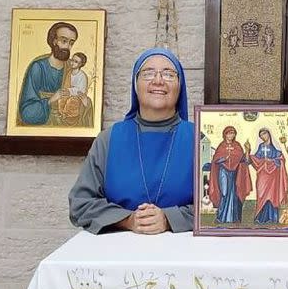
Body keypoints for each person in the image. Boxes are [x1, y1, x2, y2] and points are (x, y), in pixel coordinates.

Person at [68, 48, 194, 234]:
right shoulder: (108, 140)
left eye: (168, 74)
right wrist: (128, 220)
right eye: (148, 73)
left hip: (187, 254)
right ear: (135, 85)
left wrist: (170, 219)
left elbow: (223, 207)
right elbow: (81, 203)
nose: (158, 81)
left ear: (180, 86)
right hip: (118, 254)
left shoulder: (202, 139)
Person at [18, 22, 78, 125]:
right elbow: (26, 113)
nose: (67, 46)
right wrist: (50, 100)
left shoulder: (72, 68)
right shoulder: (38, 68)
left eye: (71, 43)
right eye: (64, 41)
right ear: (54, 41)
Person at [208, 126, 252, 224]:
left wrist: (247, 150)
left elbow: (245, 161)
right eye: (229, 133)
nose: (231, 135)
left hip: (234, 174)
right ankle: (220, 217)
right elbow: (215, 160)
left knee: (234, 194)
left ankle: (234, 218)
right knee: (224, 193)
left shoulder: (237, 146)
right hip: (223, 172)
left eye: (233, 133)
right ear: (225, 134)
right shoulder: (221, 146)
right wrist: (224, 158)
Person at [248, 128, 288, 224]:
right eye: (261, 135)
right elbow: (255, 159)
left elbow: (281, 159)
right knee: (261, 194)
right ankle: (260, 218)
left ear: (269, 134)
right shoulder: (261, 147)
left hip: (273, 176)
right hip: (262, 175)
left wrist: (272, 161)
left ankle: (272, 217)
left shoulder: (275, 147)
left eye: (264, 134)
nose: (263, 136)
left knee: (272, 196)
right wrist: (248, 152)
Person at [57, 52, 93, 127]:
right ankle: (62, 113)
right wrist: (65, 92)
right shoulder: (69, 73)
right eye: (72, 60)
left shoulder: (82, 75)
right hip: (68, 93)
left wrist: (70, 91)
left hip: (78, 96)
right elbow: (65, 85)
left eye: (76, 62)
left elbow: (80, 90)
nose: (72, 63)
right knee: (61, 99)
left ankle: (67, 116)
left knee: (71, 102)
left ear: (81, 64)